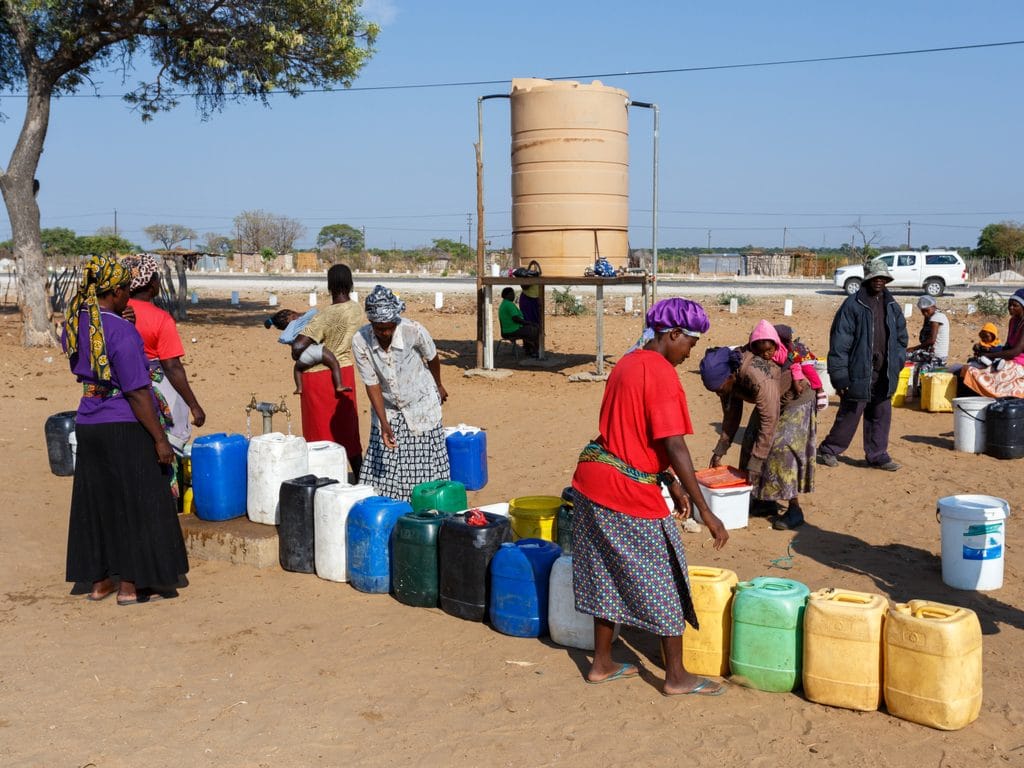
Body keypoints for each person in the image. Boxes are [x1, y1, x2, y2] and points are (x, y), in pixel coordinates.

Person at [569, 298, 729, 696]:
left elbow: (631, 432)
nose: (690, 351)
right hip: (626, 491)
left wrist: (668, 480)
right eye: (690, 342)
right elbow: (674, 443)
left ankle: (602, 664)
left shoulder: (627, 361)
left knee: (604, 571)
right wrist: (706, 512)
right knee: (667, 578)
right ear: (673, 334)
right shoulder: (661, 373)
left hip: (592, 480)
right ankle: (676, 676)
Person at [63, 255, 188, 606]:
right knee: (137, 502)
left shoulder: (75, 324)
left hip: (89, 422)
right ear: (117, 291)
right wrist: (160, 439)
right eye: (124, 293)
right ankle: (131, 586)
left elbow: (83, 363)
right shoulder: (122, 332)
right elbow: (136, 391)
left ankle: (100, 582)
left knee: (97, 502)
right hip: (125, 424)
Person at [701, 321, 814, 530]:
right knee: (750, 441)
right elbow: (732, 414)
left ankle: (794, 508)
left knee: (782, 449)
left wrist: (756, 463)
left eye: (720, 388)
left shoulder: (757, 377)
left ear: (730, 377)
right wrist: (721, 449)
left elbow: (769, 420)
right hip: (772, 398)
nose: (719, 393)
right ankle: (764, 502)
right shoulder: (728, 373)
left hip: (795, 397)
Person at [352, 285, 450, 501]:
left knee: (423, 464)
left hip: (420, 403)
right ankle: (390, 506)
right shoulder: (360, 341)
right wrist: (384, 423)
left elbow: (432, 357)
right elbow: (372, 383)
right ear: (371, 324)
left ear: (396, 321)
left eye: (388, 328)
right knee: (386, 461)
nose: (384, 333)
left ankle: (424, 506)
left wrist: (438, 385)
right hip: (387, 407)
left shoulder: (413, 330)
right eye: (379, 328)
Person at [120, 254, 205, 497]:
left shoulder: (117, 312)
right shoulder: (160, 319)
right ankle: (168, 492)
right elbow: (172, 367)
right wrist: (193, 405)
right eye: (156, 277)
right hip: (156, 385)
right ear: (152, 284)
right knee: (172, 438)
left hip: (124, 387)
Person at [817, 260, 908, 471]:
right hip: (857, 371)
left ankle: (877, 455)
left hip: (884, 371)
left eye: (883, 278)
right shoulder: (852, 305)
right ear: (867, 279)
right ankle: (829, 449)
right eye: (875, 277)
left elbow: (902, 339)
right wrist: (840, 376)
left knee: (881, 414)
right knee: (850, 414)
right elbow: (840, 343)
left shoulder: (892, 306)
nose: (879, 281)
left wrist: (897, 362)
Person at [292, 264, 363, 477]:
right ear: (350, 284)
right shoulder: (356, 309)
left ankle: (322, 479)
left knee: (319, 432)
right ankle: (360, 477)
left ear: (329, 286)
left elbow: (297, 347)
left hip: (317, 377)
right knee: (348, 429)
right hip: (344, 370)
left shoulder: (323, 316)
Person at [265, 308, 347, 395]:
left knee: (297, 369)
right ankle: (339, 385)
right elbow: (314, 312)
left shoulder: (288, 331)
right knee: (334, 363)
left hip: (303, 357)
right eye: (295, 313)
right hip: (315, 350)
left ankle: (299, 388)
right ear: (291, 316)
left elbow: (288, 342)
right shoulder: (301, 321)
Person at [961, 289, 1024, 398]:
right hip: (1010, 359)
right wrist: (987, 350)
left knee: (992, 374)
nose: (1010, 308)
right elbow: (1008, 347)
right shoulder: (1013, 321)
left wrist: (989, 355)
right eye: (1009, 305)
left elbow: (1015, 351)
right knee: (973, 367)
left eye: (1015, 306)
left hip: (1020, 363)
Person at [498, 286, 539, 355]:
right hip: (513, 330)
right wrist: (527, 323)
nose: (513, 296)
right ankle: (534, 351)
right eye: (512, 294)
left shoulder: (504, 304)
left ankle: (529, 349)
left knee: (530, 330)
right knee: (533, 330)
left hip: (508, 330)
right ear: (508, 295)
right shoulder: (509, 304)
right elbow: (516, 318)